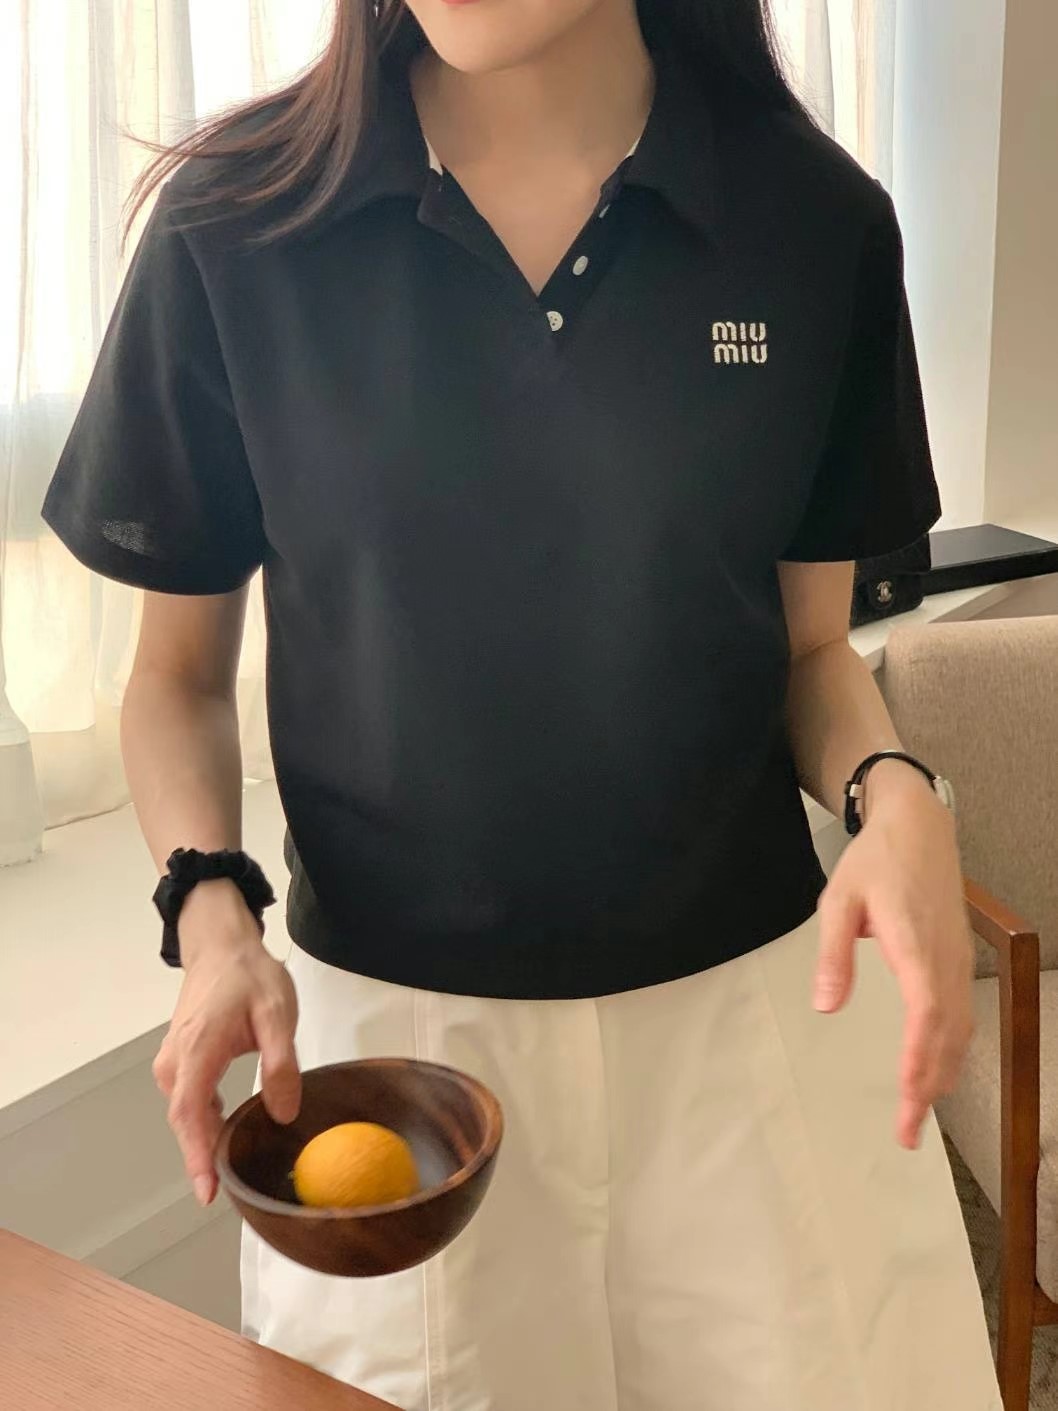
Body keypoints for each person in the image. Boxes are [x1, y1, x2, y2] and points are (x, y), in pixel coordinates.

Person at [43, 2, 1002, 1408]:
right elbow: (174, 679)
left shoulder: (814, 223)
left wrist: (895, 790)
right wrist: (209, 917)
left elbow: (810, 653)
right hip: (397, 1067)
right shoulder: (237, 225)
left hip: (749, 1023)